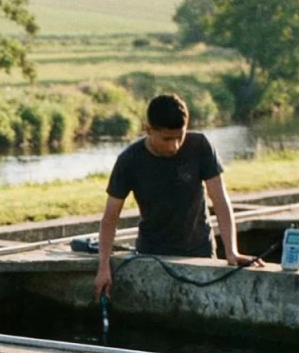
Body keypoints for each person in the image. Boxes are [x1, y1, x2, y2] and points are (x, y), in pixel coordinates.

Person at [94, 93, 256, 299]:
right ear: (148, 129)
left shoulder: (200, 146)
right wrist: (103, 267)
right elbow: (110, 217)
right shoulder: (129, 160)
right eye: (167, 139)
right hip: (152, 255)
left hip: (200, 251)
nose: (174, 146)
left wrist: (232, 250)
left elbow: (220, 200)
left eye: (180, 136)